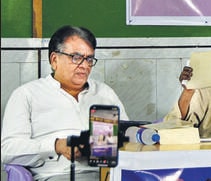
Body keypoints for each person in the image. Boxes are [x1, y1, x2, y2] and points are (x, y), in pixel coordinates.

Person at [1, 25, 129, 181]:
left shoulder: (104, 93)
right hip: (59, 175)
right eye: (76, 57)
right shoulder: (27, 95)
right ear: (54, 60)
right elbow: (7, 151)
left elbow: (127, 138)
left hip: (108, 174)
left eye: (89, 59)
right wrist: (55, 146)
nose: (84, 65)